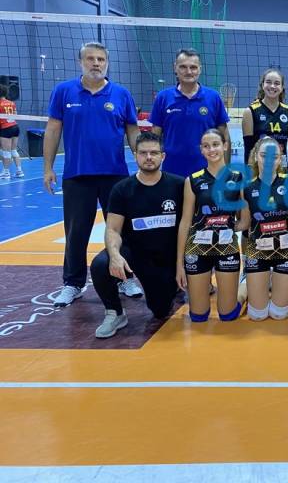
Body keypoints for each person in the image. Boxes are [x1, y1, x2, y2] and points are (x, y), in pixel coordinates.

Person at [43, 41, 143, 307]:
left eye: (101, 59)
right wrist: (47, 167)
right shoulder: (63, 91)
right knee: (76, 233)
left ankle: (125, 278)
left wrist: (142, 161)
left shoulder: (121, 94)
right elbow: (53, 130)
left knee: (121, 231)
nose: (96, 63)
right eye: (90, 59)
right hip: (77, 175)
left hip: (115, 176)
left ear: (107, 63)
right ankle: (73, 283)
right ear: (81, 62)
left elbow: (133, 131)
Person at [89, 132, 184, 338]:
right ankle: (115, 313)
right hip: (134, 254)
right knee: (100, 264)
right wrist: (115, 255)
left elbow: (189, 226)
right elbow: (112, 229)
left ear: (163, 156)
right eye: (143, 153)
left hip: (166, 258)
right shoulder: (122, 189)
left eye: (154, 153)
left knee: (160, 310)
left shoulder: (179, 185)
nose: (149, 157)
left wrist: (182, 263)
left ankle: (170, 289)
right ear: (135, 155)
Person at [176, 128, 245, 322]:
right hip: (197, 248)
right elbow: (185, 222)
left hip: (226, 248)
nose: (211, 149)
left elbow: (245, 219)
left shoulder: (238, 178)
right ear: (201, 150)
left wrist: (228, 227)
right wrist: (179, 264)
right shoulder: (193, 180)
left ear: (225, 146)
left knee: (228, 315)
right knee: (198, 316)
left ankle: (245, 290)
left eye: (215, 145)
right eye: (206, 146)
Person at [238, 137, 288, 321]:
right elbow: (245, 224)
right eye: (264, 155)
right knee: (257, 315)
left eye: (275, 156)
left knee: (279, 315)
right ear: (256, 156)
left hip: (285, 251)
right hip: (258, 251)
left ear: (280, 159)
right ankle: (246, 282)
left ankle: (266, 281)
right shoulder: (247, 187)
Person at [150, 48, 231, 178]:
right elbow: (155, 137)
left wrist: (225, 170)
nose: (188, 72)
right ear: (175, 68)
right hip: (171, 172)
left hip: (207, 173)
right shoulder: (163, 97)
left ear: (200, 69)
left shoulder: (213, 97)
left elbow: (225, 137)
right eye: (183, 67)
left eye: (193, 67)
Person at [241, 68, 288, 168]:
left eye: (277, 83)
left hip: (282, 167)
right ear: (262, 85)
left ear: (282, 87)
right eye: (268, 82)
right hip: (259, 168)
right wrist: (249, 172)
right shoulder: (250, 111)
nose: (272, 86)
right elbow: (248, 149)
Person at [0, 84, 24, 179]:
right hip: (15, 127)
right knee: (13, 150)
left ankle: (6, 173)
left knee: (6, 152)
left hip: (5, 128)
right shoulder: (11, 103)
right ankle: (19, 171)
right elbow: (15, 115)